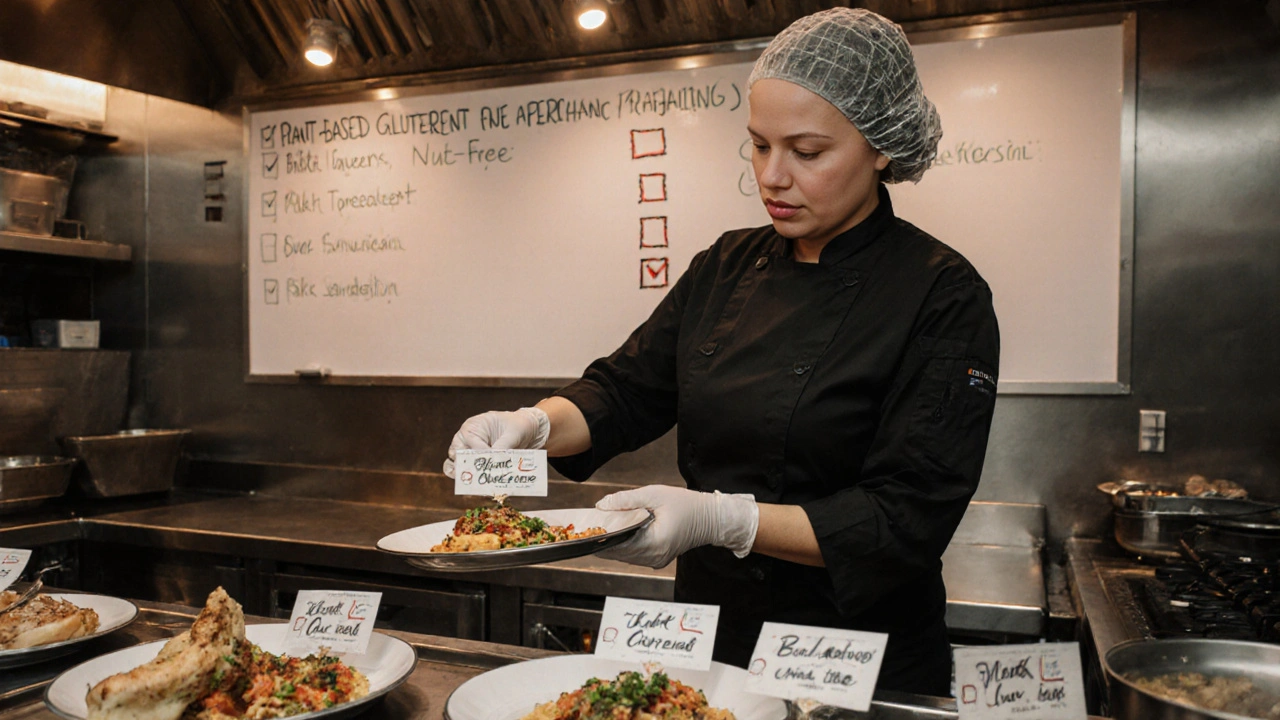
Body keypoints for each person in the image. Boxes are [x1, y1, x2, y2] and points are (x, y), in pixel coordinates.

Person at [443, 7, 999, 697]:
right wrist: (532, 426)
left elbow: (904, 520)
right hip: (717, 643)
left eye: (807, 151)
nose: (773, 175)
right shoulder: (728, 265)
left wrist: (722, 519)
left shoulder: (942, 295)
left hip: (854, 659)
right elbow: (625, 390)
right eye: (758, 145)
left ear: (881, 146)